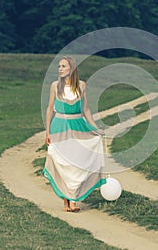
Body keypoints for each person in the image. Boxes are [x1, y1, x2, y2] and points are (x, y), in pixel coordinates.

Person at [43, 56, 106, 212]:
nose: (60, 69)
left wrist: (95, 128)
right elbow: (50, 109)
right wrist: (48, 131)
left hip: (78, 127)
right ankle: (66, 202)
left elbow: (86, 110)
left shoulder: (82, 86)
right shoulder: (55, 86)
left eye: (63, 66)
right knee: (62, 163)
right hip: (59, 128)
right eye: (59, 66)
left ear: (71, 69)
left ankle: (74, 200)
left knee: (76, 164)